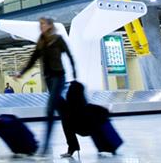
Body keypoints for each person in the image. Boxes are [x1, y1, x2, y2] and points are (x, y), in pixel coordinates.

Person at [17, 17, 76, 156]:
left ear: (50, 25)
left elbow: (70, 55)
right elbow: (33, 59)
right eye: (40, 24)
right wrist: (21, 73)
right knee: (64, 113)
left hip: (59, 77)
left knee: (50, 110)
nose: (41, 26)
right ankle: (72, 146)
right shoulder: (41, 41)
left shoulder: (57, 39)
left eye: (43, 24)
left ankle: (46, 147)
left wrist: (75, 75)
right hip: (49, 80)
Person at [60, 81, 122, 157]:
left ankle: (72, 147)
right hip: (91, 128)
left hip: (79, 129)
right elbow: (106, 112)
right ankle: (111, 147)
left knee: (65, 121)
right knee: (99, 120)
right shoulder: (89, 107)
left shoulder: (68, 110)